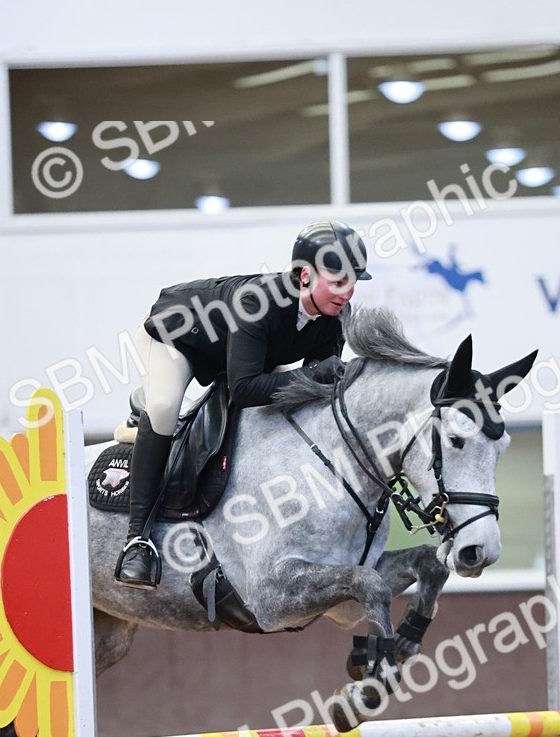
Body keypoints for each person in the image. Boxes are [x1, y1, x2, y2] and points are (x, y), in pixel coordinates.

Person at [116, 220, 372, 589]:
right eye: (337, 282)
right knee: (164, 407)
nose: (347, 292)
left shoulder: (333, 317)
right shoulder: (257, 302)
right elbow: (245, 390)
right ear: (304, 276)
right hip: (177, 339)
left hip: (244, 354)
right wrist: (317, 376)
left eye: (353, 282)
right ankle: (137, 541)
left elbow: (311, 393)